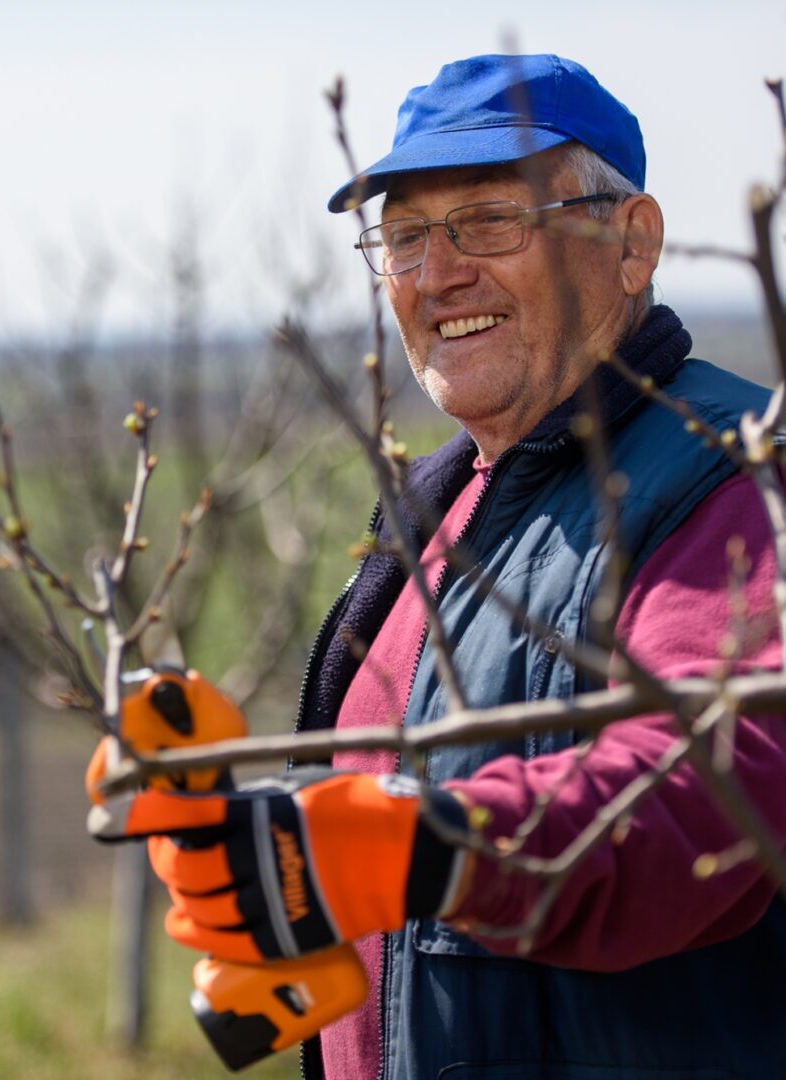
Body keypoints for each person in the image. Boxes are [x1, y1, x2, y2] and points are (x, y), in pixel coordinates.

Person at [91, 54, 786, 1078]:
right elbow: (387, 827)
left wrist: (423, 848)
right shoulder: (436, 510)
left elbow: (707, 799)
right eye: (406, 236)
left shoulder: (736, 483)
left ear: (633, 244)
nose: (437, 274)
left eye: (491, 222)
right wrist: (244, 827)